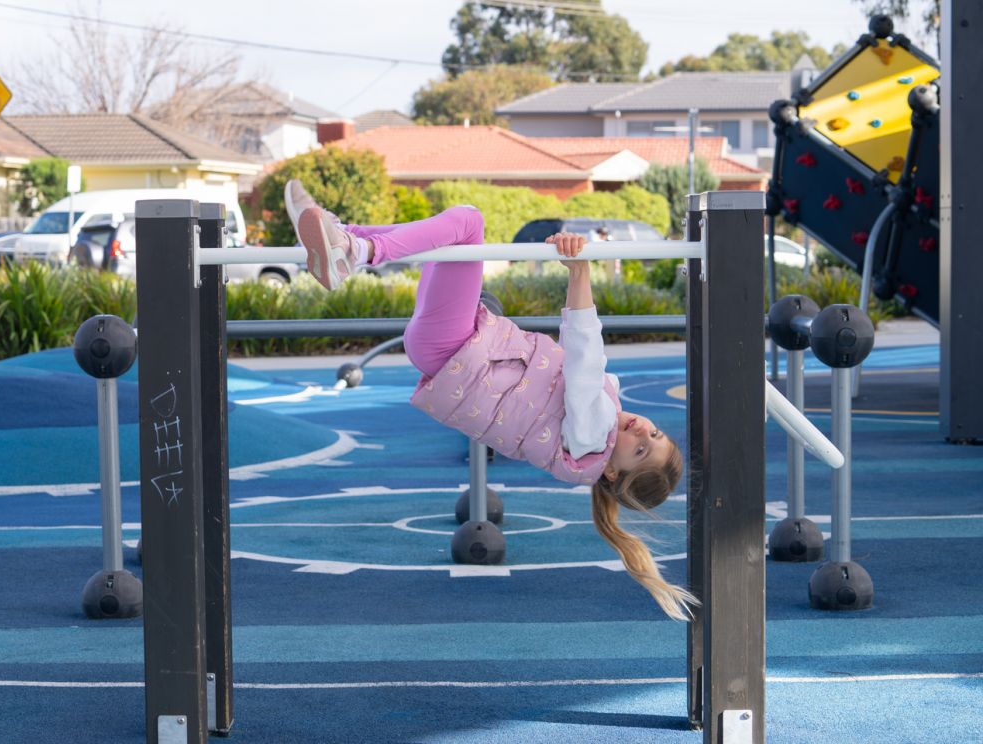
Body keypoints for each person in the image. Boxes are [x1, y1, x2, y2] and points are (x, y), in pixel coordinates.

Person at [284, 180, 697, 621]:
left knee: (468, 222)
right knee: (444, 236)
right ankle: (341, 239)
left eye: (640, 449)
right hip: (450, 353)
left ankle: (353, 248)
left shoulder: (592, 434)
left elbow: (584, 357)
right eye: (654, 433)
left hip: (457, 349)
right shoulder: (590, 439)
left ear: (612, 472)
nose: (641, 430)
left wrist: (579, 273)